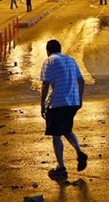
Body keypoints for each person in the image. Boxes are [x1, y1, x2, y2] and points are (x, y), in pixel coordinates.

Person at [40, 39, 87, 178]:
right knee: (67, 130)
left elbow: (45, 85)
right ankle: (79, 152)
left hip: (57, 103)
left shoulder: (49, 61)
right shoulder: (71, 60)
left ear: (48, 50)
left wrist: (42, 105)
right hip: (73, 102)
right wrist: (79, 99)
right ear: (60, 49)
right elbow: (82, 81)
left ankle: (61, 168)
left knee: (56, 135)